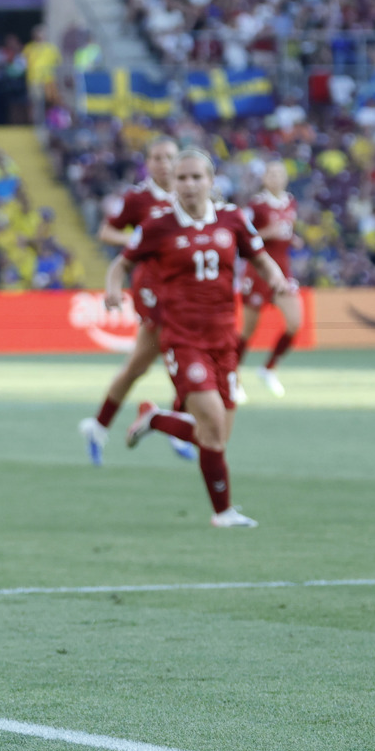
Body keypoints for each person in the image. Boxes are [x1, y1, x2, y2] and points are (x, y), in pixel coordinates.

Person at [107, 149, 290, 528]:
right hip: (182, 338)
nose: (189, 185)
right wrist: (113, 289)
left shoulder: (233, 219)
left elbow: (259, 257)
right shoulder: (158, 225)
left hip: (225, 339)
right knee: (209, 418)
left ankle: (157, 419)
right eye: (182, 178)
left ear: (211, 180)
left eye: (196, 177)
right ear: (172, 183)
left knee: (216, 435)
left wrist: (276, 277)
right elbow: (122, 262)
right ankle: (222, 513)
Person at [78, 137, 195, 464]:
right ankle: (172, 425)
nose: (164, 163)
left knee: (138, 366)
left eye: (170, 157)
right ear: (148, 162)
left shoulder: (189, 196)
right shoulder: (138, 198)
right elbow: (106, 232)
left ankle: (100, 426)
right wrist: (138, 239)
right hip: (153, 290)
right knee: (183, 357)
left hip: (186, 288)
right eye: (157, 157)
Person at [237, 160, 302, 398]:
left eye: (279, 173)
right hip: (258, 272)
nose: (275, 178)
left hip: (282, 271)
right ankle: (233, 376)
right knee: (248, 330)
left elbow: (285, 229)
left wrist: (291, 238)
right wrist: (268, 234)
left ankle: (268, 369)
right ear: (264, 179)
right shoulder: (257, 205)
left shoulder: (290, 202)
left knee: (295, 323)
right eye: (271, 174)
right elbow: (243, 238)